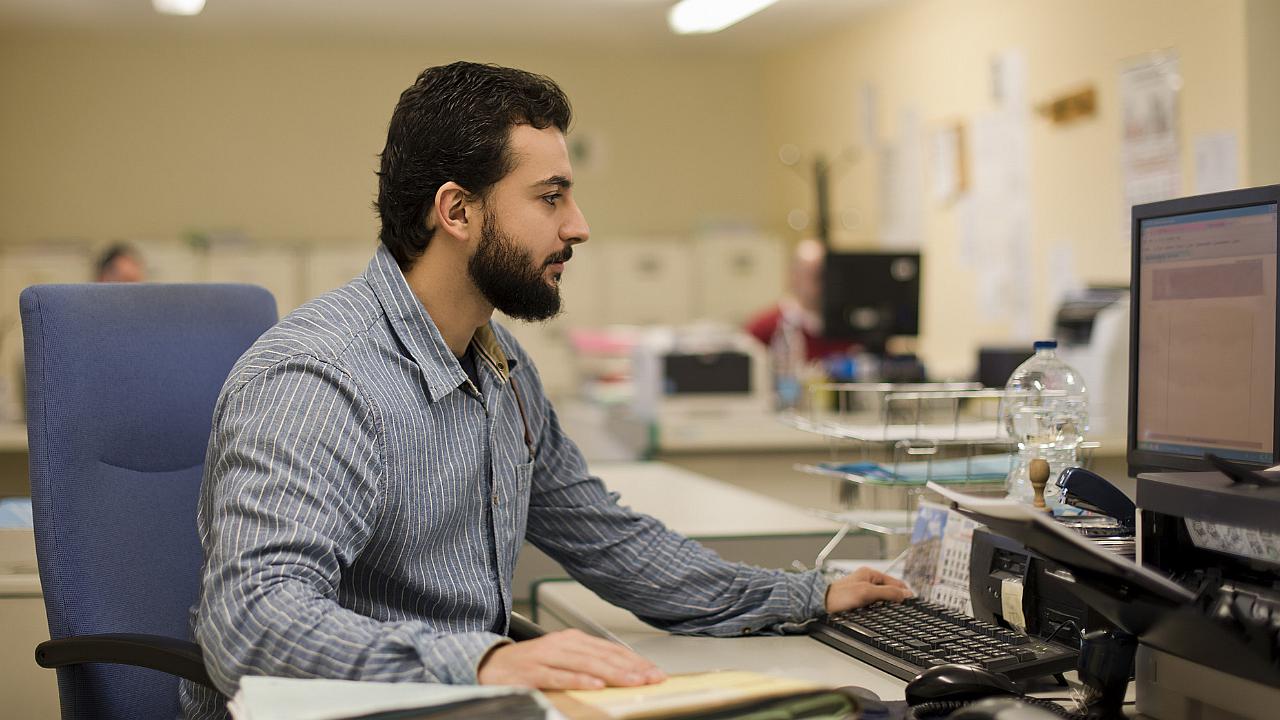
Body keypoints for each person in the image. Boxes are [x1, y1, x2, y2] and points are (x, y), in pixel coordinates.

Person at [180, 62, 910, 719]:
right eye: (551, 198)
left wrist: (802, 597)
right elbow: (252, 621)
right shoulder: (320, 379)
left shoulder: (502, 367)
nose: (579, 227)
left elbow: (607, 539)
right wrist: (486, 659)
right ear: (457, 212)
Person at [744, 238, 857, 363]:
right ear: (794, 276)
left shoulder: (847, 326)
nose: (821, 285)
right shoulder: (766, 327)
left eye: (825, 276)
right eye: (813, 276)